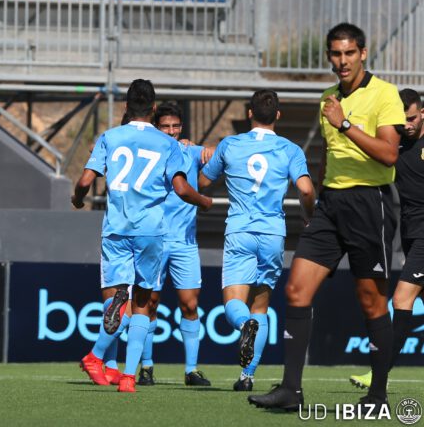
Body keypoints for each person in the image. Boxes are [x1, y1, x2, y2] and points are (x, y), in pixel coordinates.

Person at [248, 22, 405, 413]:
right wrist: (314, 203)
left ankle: (378, 395)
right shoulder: (327, 98)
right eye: (336, 54)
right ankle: (290, 390)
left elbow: (389, 155)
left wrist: (346, 124)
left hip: (371, 204)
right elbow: (326, 157)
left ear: (363, 54)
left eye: (349, 53)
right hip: (331, 205)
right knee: (296, 290)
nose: (342, 61)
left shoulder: (385, 94)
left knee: (371, 302)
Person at [72, 79, 212, 393]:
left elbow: (84, 181)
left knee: (116, 301)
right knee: (143, 304)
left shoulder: (110, 137)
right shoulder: (168, 144)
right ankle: (127, 377)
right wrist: (204, 201)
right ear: (152, 108)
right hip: (151, 230)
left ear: (125, 107)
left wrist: (79, 199)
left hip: (116, 230)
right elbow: (181, 188)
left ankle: (102, 360)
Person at [199, 89, 316, 392]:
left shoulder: (229, 145)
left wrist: (201, 156)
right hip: (273, 234)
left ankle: (243, 327)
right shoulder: (290, 150)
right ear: (278, 115)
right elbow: (305, 189)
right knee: (260, 307)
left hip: (239, 231)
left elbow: (202, 182)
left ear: (249, 113)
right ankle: (247, 376)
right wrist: (308, 214)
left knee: (234, 304)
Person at [349, 88, 424, 389]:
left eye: (412, 118)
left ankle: (378, 374)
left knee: (401, 299)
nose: (406, 125)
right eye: (401, 119)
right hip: (410, 233)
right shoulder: (394, 147)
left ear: (422, 114)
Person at [137, 102, 214, 387]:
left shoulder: (189, 152)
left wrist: (206, 148)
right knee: (150, 303)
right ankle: (147, 367)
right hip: (155, 239)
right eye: (165, 126)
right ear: (156, 128)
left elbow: (221, 155)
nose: (171, 131)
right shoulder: (150, 154)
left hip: (184, 243)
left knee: (189, 304)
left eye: (175, 126)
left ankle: (191, 370)